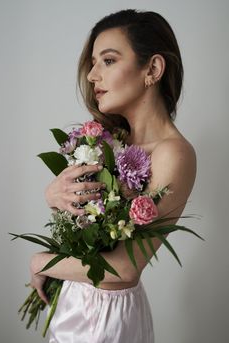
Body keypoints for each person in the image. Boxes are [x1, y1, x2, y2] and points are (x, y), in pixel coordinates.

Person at [29, 9, 196, 343]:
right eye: (93, 63)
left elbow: (123, 267)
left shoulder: (172, 153)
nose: (92, 76)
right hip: (76, 305)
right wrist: (54, 198)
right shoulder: (108, 142)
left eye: (107, 60)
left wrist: (40, 261)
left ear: (152, 69)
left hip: (108, 319)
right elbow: (84, 232)